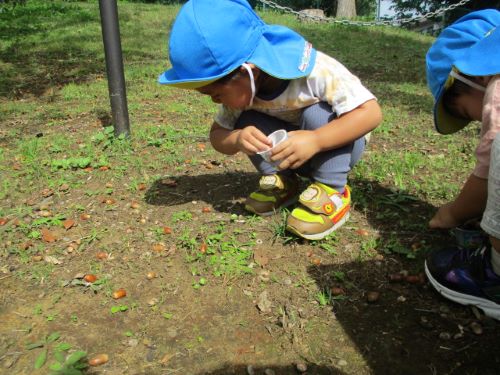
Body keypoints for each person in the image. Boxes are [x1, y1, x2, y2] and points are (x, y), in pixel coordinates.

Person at [157, 0, 382, 240]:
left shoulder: (315, 71)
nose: (215, 101)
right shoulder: (244, 93)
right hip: (291, 154)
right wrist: (236, 138)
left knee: (316, 112)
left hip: (338, 146)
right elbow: (217, 135)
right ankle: (284, 182)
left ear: (247, 72)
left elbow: (370, 113)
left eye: (217, 93)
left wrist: (316, 140)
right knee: (248, 120)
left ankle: (332, 191)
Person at [424, 9, 500, 320]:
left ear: (476, 75)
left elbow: (486, 173)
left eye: (467, 113)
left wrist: (452, 213)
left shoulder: (496, 91)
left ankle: (494, 274)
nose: (476, 120)